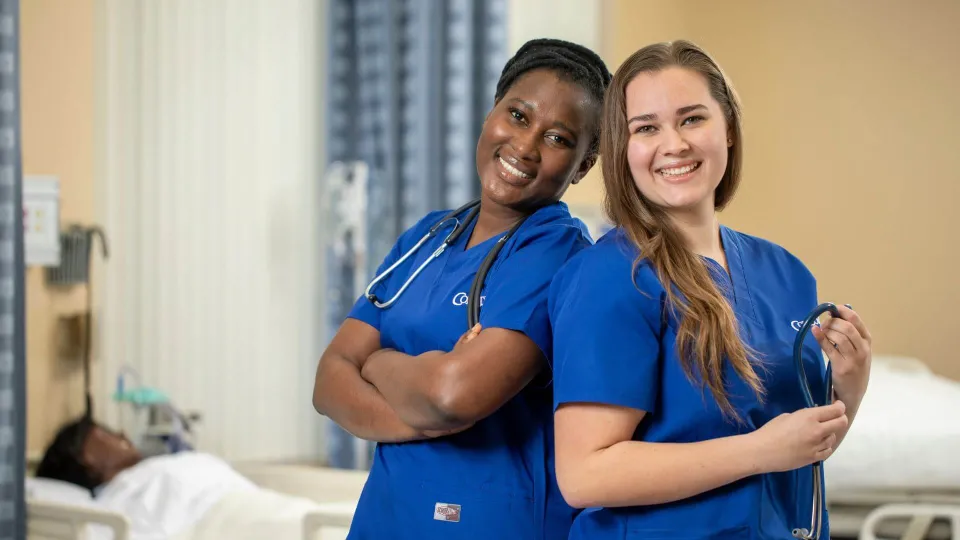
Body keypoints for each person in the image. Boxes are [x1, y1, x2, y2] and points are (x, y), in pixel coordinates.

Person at [548, 40, 873, 539]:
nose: (674, 144)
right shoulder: (611, 276)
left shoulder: (785, 272)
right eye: (647, 127)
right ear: (623, 148)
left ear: (729, 131)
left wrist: (849, 386)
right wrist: (760, 450)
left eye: (693, 118)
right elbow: (585, 475)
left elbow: (800, 448)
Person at [312, 38, 611, 539]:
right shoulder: (426, 238)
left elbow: (454, 396)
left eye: (558, 138)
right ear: (491, 111)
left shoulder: (558, 254)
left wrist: (379, 363)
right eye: (517, 115)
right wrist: (424, 408)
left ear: (582, 166)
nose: (525, 146)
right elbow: (328, 381)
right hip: (386, 520)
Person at [33, 416, 284, 539]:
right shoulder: (117, 500)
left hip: (249, 506)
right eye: (107, 434)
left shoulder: (152, 469)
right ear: (87, 458)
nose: (122, 433)